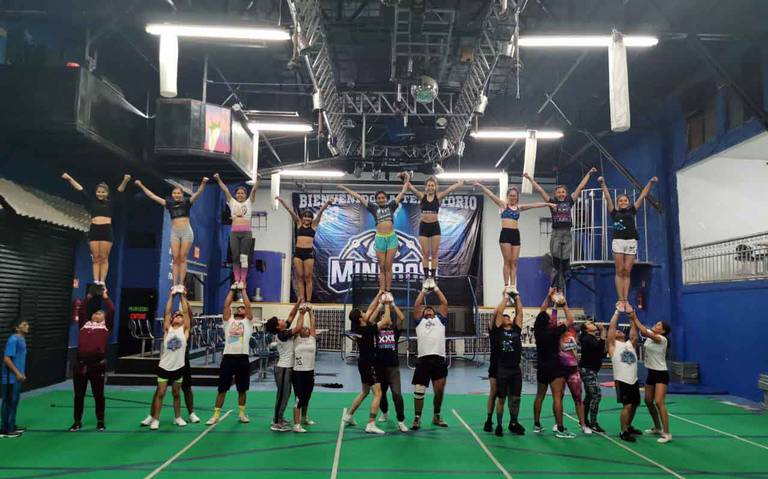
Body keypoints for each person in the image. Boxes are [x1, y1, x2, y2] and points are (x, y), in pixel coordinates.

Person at [524, 167, 597, 300]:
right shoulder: (552, 203)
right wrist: (530, 179)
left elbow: (580, 188)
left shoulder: (570, 201)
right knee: (556, 264)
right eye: (559, 192)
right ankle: (554, 288)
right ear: (555, 194)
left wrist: (589, 174)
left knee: (564, 265)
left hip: (567, 233)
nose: (561, 194)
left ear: (566, 193)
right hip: (556, 233)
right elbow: (540, 190)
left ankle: (560, 290)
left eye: (563, 192)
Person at [474, 182, 554, 295]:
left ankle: (513, 285)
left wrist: (548, 204)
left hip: (515, 234)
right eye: (511, 195)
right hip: (505, 234)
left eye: (514, 195)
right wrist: (481, 185)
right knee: (507, 261)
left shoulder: (519, 208)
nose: (512, 197)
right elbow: (491, 195)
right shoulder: (503, 205)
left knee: (514, 262)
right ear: (508, 196)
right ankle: (506, 286)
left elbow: (534, 205)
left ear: (517, 197)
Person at [134, 178, 209, 293]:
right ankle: (174, 285)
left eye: (178, 193)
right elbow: (153, 197)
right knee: (175, 259)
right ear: (172, 195)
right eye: (174, 193)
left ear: (182, 194)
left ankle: (181, 284)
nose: (176, 195)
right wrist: (141, 185)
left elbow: (198, 193)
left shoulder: (187, 202)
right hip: (175, 232)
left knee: (183, 258)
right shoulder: (169, 203)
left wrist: (203, 183)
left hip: (186, 232)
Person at [597, 175, 658, 312]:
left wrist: (650, 182)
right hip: (618, 242)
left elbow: (643, 195)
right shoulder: (614, 212)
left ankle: (626, 300)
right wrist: (602, 183)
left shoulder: (632, 210)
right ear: (618, 203)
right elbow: (607, 197)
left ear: (628, 202)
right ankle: (621, 299)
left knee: (627, 271)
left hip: (631, 241)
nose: (623, 202)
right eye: (621, 200)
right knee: (619, 270)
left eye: (625, 200)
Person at [338, 182, 409, 296]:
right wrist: (345, 187)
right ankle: (382, 290)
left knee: (388, 265)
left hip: (391, 237)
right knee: (381, 266)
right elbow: (359, 197)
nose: (381, 200)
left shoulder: (391, 205)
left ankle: (388, 291)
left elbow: (402, 192)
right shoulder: (373, 207)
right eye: (379, 198)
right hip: (380, 238)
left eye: (383, 198)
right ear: (376, 200)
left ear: (386, 198)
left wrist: (407, 180)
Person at [61, 172, 131, 286]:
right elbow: (80, 189)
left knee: (103, 257)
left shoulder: (110, 203)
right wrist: (69, 178)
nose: (100, 194)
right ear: (95, 192)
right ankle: (96, 280)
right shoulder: (91, 202)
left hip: (106, 230)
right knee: (95, 258)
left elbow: (119, 191)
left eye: (103, 192)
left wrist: (125, 180)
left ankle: (102, 281)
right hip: (94, 229)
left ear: (107, 193)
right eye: (98, 192)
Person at [141, 290, 192, 430]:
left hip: (178, 367)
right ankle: (155, 419)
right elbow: (167, 311)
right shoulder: (167, 329)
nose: (178, 317)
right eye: (176, 316)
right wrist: (171, 295)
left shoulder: (185, 330)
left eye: (180, 316)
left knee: (176, 393)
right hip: (164, 367)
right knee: (161, 392)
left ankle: (178, 417)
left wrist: (182, 296)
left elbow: (186, 312)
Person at [404, 176, 464, 288]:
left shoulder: (438, 197)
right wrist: (406, 178)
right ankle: (426, 277)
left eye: (432, 185)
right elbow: (410, 187)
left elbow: (449, 190)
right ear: (426, 187)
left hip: (435, 227)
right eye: (429, 185)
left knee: (435, 253)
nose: (431, 187)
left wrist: (459, 184)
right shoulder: (422, 197)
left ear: (435, 187)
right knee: (426, 253)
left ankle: (432, 277)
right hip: (424, 227)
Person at [206, 287, 254, 426]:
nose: (240, 310)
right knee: (222, 389)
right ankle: (216, 415)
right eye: (238, 309)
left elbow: (249, 305)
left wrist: (244, 290)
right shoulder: (228, 321)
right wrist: (233, 290)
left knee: (242, 389)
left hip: (242, 358)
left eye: (242, 309)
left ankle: (242, 413)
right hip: (228, 358)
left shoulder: (248, 322)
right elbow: (226, 305)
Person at [70, 286, 114, 432]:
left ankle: (100, 421)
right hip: (81, 365)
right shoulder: (85, 325)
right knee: (79, 395)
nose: (97, 315)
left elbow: (112, 311)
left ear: (104, 318)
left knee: (98, 395)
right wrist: (88, 297)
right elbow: (81, 310)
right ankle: (77, 421)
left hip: (97, 366)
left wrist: (106, 298)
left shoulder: (105, 327)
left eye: (100, 314)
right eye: (95, 313)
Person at [343, 292, 386, 434]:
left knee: (364, 392)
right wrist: (387, 305)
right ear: (361, 318)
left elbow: (371, 310)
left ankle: (348, 416)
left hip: (362, 363)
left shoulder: (358, 328)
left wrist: (379, 294)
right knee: (378, 394)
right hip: (370, 364)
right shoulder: (367, 330)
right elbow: (385, 321)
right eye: (362, 312)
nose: (365, 312)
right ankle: (371, 424)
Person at [276, 196, 333, 303]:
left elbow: (320, 212)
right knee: (299, 277)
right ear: (302, 218)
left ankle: (308, 300)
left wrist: (326, 204)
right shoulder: (298, 224)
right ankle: (301, 299)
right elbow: (290, 211)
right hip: (298, 253)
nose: (307, 219)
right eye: (305, 217)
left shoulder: (314, 225)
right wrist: (282, 201)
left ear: (311, 219)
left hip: (308, 254)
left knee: (307, 277)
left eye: (309, 217)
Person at [532, 288, 572, 439]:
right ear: (549, 321)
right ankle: (560, 428)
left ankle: (536, 424)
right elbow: (570, 321)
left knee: (539, 396)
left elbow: (542, 311)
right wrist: (564, 305)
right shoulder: (555, 331)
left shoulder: (537, 330)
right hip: (555, 366)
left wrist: (548, 296)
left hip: (542, 367)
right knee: (557, 397)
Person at [410, 284, 450, 430]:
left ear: (434, 313)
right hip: (423, 360)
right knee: (419, 391)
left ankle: (436, 415)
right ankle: (417, 418)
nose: (427, 310)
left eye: (430, 309)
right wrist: (423, 291)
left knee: (439, 391)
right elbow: (417, 304)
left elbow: (444, 303)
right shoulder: (419, 321)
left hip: (439, 360)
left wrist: (436, 289)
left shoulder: (440, 321)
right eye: (425, 309)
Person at [629, 311, 672, 443]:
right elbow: (642, 331)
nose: (656, 325)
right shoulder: (650, 337)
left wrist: (635, 317)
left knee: (659, 402)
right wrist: (631, 319)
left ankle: (667, 433)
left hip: (661, 373)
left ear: (663, 331)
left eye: (659, 325)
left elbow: (645, 331)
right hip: (651, 373)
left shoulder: (662, 339)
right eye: (656, 323)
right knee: (648, 401)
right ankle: (657, 427)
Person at [213, 172, 259, 290]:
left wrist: (257, 179)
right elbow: (225, 190)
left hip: (246, 232)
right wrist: (218, 179)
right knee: (235, 257)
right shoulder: (232, 202)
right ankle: (236, 279)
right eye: (238, 193)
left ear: (245, 195)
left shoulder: (249, 202)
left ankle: (242, 280)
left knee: (244, 257)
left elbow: (254, 191)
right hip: (234, 232)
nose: (240, 195)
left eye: (242, 193)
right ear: (235, 195)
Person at [489, 291, 525, 437]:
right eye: (504, 317)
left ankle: (514, 423)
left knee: (515, 399)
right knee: (502, 399)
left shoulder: (516, 329)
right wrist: (505, 297)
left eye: (508, 317)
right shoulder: (497, 332)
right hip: (502, 369)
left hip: (515, 370)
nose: (506, 318)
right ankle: (498, 425)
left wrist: (516, 297)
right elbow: (499, 313)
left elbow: (520, 312)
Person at [264, 300, 302, 432]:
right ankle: (277, 422)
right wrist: (302, 314)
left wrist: (298, 304)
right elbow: (298, 328)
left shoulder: (283, 330)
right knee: (283, 396)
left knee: (285, 394)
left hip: (286, 369)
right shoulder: (282, 334)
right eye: (280, 320)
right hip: (283, 369)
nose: (283, 320)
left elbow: (291, 315)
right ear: (277, 327)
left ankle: (278, 417)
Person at [607, 307, 642, 442]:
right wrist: (617, 311)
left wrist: (631, 315)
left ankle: (628, 426)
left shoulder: (630, 343)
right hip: (622, 380)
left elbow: (634, 332)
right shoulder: (613, 346)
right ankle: (623, 431)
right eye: (616, 331)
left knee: (634, 405)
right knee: (627, 405)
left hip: (634, 379)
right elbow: (611, 328)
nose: (618, 331)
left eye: (619, 331)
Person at [557, 299, 591, 434]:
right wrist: (555, 305)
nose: (561, 323)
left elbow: (570, 319)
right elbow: (554, 320)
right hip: (559, 370)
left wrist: (565, 305)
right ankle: (558, 424)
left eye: (563, 322)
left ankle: (582, 425)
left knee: (578, 397)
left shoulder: (572, 332)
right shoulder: (556, 335)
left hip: (573, 369)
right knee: (558, 397)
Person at [375, 300, 409, 433]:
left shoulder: (394, 331)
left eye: (387, 317)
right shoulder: (375, 331)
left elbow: (402, 318)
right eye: (383, 317)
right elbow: (371, 320)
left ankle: (401, 421)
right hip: (379, 368)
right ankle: (384, 412)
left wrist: (392, 304)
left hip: (393, 368)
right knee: (381, 394)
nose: (386, 319)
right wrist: (380, 306)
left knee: (397, 395)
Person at [1, 319, 29, 438]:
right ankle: (5, 429)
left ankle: (11, 424)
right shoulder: (13, 340)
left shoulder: (22, 339)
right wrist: (17, 373)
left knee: (14, 401)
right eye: (24, 325)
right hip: (10, 378)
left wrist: (22, 373)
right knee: (9, 402)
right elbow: (7, 359)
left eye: (27, 324)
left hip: (17, 377)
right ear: (17, 328)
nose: (27, 326)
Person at [291, 307, 317, 433]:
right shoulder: (296, 340)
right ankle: (296, 425)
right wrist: (301, 313)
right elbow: (298, 325)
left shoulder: (312, 339)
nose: (306, 329)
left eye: (307, 328)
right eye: (304, 328)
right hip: (298, 373)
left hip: (310, 372)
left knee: (307, 397)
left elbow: (313, 322)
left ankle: (304, 418)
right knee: (299, 398)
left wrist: (310, 311)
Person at [579, 320, 607, 433]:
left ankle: (584, 420)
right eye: (589, 324)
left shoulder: (591, 338)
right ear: (586, 329)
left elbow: (601, 353)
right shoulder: (587, 339)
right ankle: (593, 423)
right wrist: (603, 332)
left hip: (591, 369)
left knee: (590, 396)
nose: (593, 324)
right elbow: (600, 350)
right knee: (597, 395)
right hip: (588, 370)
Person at [483, 317, 499, 433]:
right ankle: (489, 419)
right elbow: (492, 321)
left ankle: (512, 422)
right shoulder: (495, 334)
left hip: (509, 368)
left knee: (507, 397)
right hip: (495, 367)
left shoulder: (512, 333)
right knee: (493, 393)